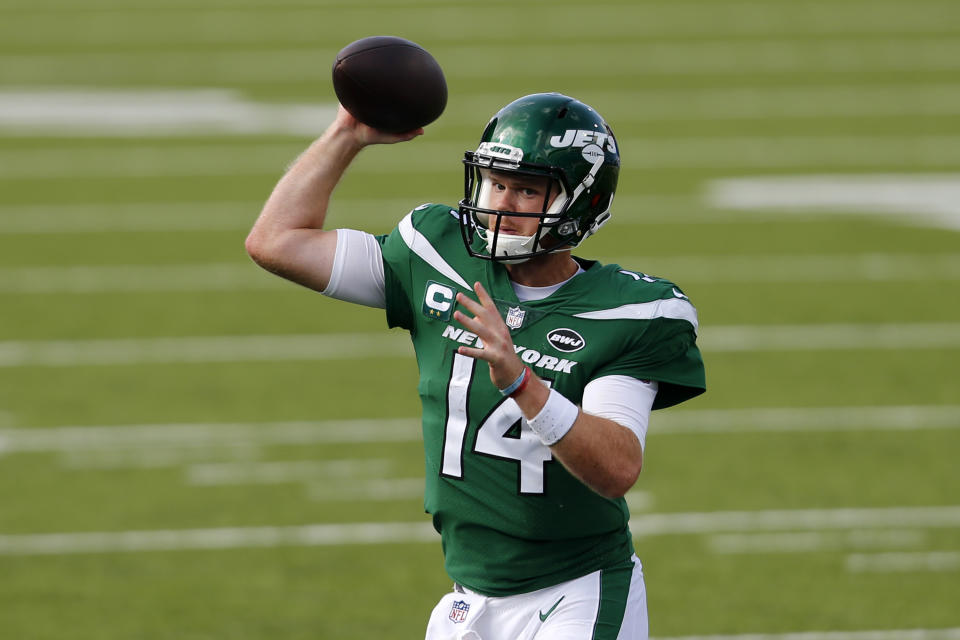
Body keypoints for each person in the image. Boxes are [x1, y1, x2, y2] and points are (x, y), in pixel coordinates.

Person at [246, 92, 706, 640]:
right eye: (495, 182)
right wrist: (347, 134)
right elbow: (276, 241)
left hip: (576, 593)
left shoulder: (629, 311)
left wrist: (522, 382)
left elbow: (617, 469)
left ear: (584, 202)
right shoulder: (437, 254)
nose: (503, 202)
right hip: (469, 599)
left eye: (528, 189)